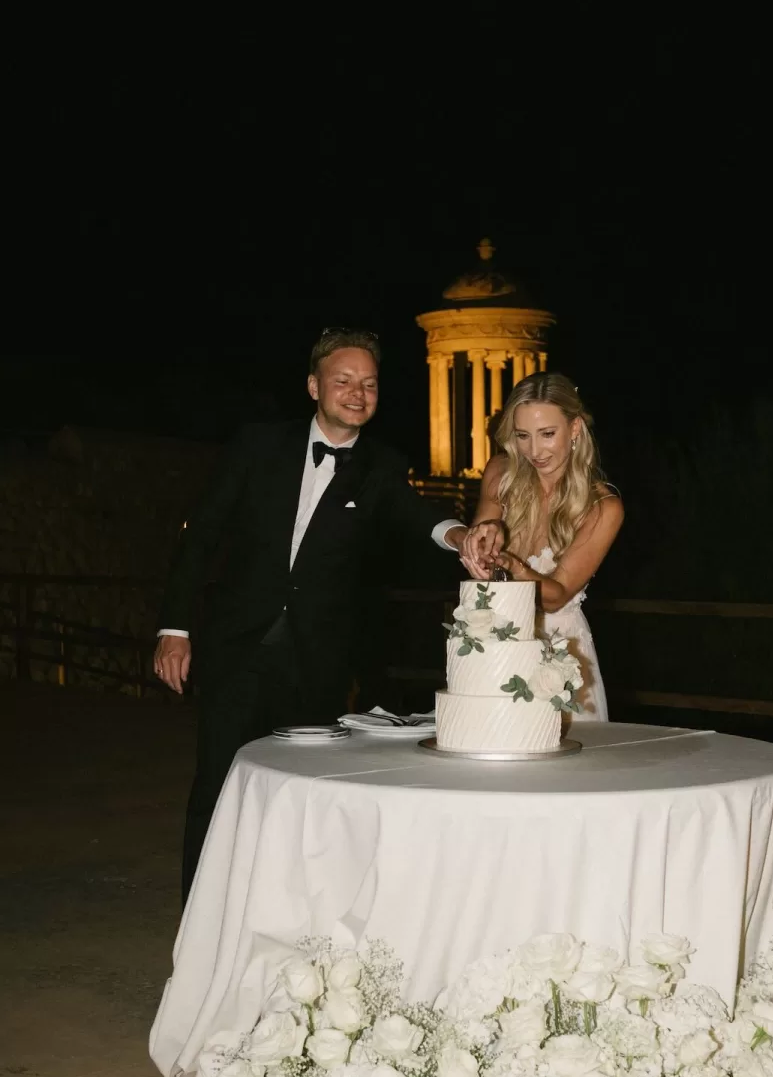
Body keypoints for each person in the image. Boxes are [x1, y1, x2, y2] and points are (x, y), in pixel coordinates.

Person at [154, 327, 485, 900]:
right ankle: (200, 921)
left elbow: (417, 514)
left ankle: (284, 916)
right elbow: (201, 538)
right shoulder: (257, 445)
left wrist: (462, 537)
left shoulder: (382, 465)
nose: (357, 393)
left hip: (319, 661)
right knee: (218, 786)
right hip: (239, 648)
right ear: (314, 386)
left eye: (369, 384)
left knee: (303, 795)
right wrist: (174, 628)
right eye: (343, 381)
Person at [462, 373, 624, 719]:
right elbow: (480, 540)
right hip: (495, 640)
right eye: (522, 436)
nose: (534, 451)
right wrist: (481, 538)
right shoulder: (499, 473)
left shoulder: (603, 506)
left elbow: (557, 593)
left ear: (575, 428)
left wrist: (517, 568)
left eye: (547, 434)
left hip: (560, 656)